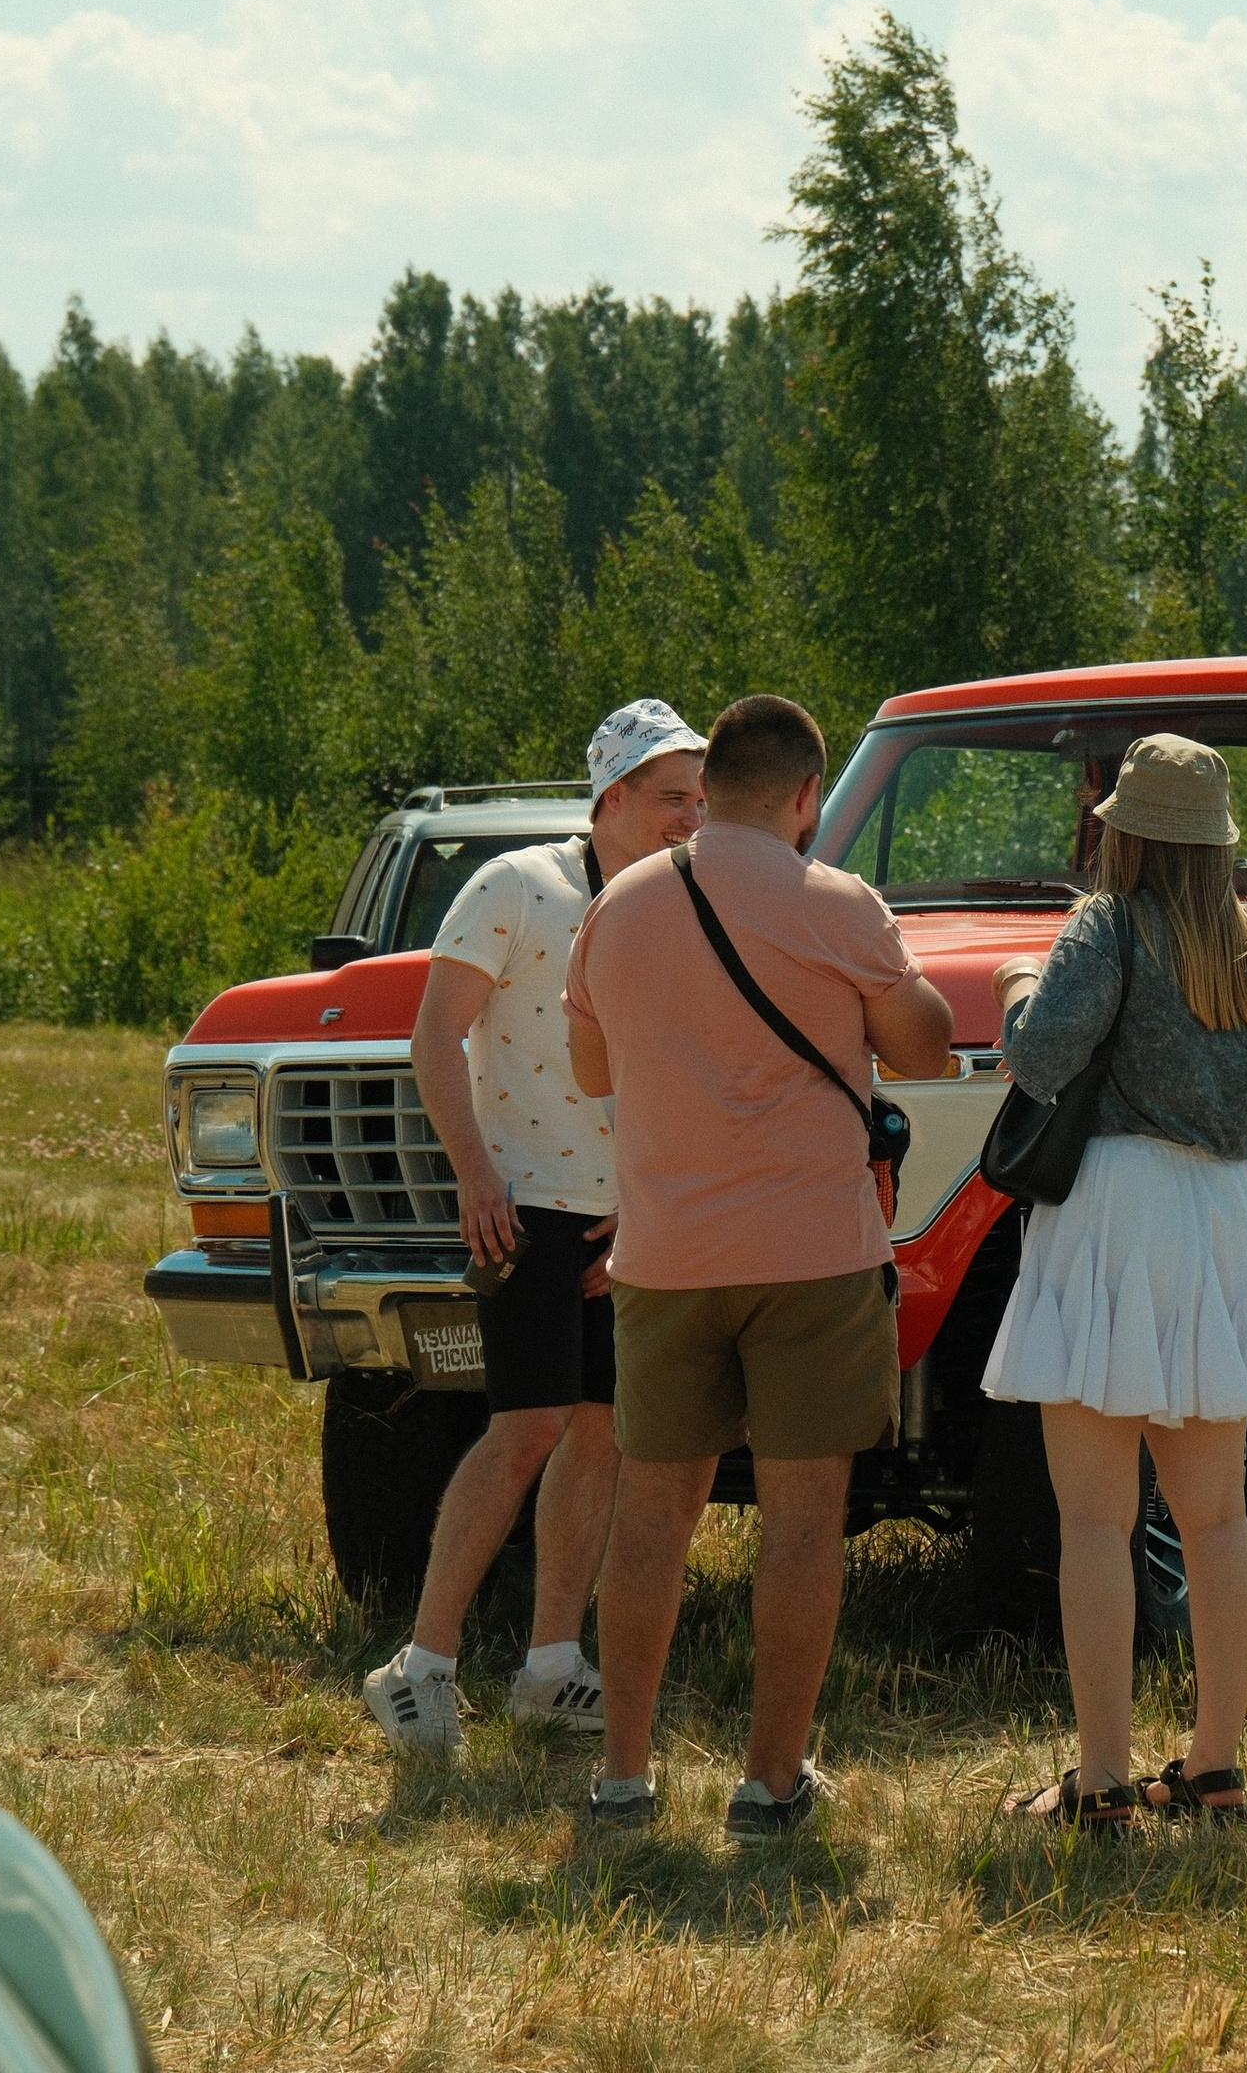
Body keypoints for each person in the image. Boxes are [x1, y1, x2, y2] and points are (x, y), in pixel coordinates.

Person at [564, 693, 953, 1838]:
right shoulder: (840, 904)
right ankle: (769, 1782)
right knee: (802, 1518)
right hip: (812, 1258)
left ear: (711, 788)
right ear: (804, 795)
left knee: (651, 1513)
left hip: (663, 1258)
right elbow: (925, 1049)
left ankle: (623, 1779)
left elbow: (591, 1070)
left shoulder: (618, 906)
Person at [983, 733, 1247, 1832]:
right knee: (1217, 1518)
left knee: (1094, 1520)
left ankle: (1101, 1782)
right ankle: (1215, 1769)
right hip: (1221, 1211)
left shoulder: (1107, 924)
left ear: (1121, 831)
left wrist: (1017, 985)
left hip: (1115, 1207)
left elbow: (1040, 1058)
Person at [363, 698, 707, 1752]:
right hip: (521, 1208)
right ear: (612, 796)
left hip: (620, 1223)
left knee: (602, 1433)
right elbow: (436, 1037)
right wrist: (475, 1178)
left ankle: (552, 1668)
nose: (690, 817)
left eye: (700, 798)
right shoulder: (516, 884)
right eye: (671, 796)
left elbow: (672, 1069)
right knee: (527, 1430)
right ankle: (419, 1668)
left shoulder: (678, 902)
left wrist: (642, 1211)